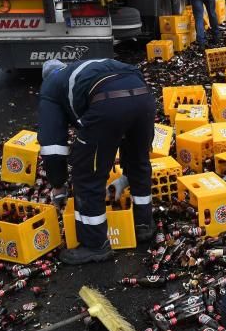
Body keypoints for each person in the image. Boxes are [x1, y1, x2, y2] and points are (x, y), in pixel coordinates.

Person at [38, 58, 156, 265]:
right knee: (138, 161)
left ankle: (95, 245)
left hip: (107, 102)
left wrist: (58, 184)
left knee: (87, 174)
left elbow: (52, 145)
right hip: (143, 96)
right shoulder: (83, 69)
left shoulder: (50, 87)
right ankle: (143, 223)